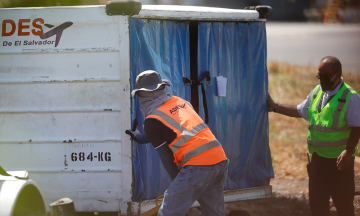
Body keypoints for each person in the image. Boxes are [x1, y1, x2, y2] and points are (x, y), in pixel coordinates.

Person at [126, 70, 228, 216]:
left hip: (197, 166)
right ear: (162, 87)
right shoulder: (180, 102)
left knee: (168, 213)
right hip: (220, 161)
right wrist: (140, 138)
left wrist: (179, 188)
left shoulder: (152, 121)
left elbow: (167, 160)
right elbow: (170, 130)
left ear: (141, 96)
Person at [267, 56, 360, 216]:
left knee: (344, 208)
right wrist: (275, 107)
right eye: (319, 76)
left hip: (339, 164)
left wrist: (349, 151)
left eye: (327, 75)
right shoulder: (317, 92)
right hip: (317, 161)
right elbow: (299, 110)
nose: (322, 79)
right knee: (317, 208)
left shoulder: (350, 97)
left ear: (338, 74)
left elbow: (357, 126)